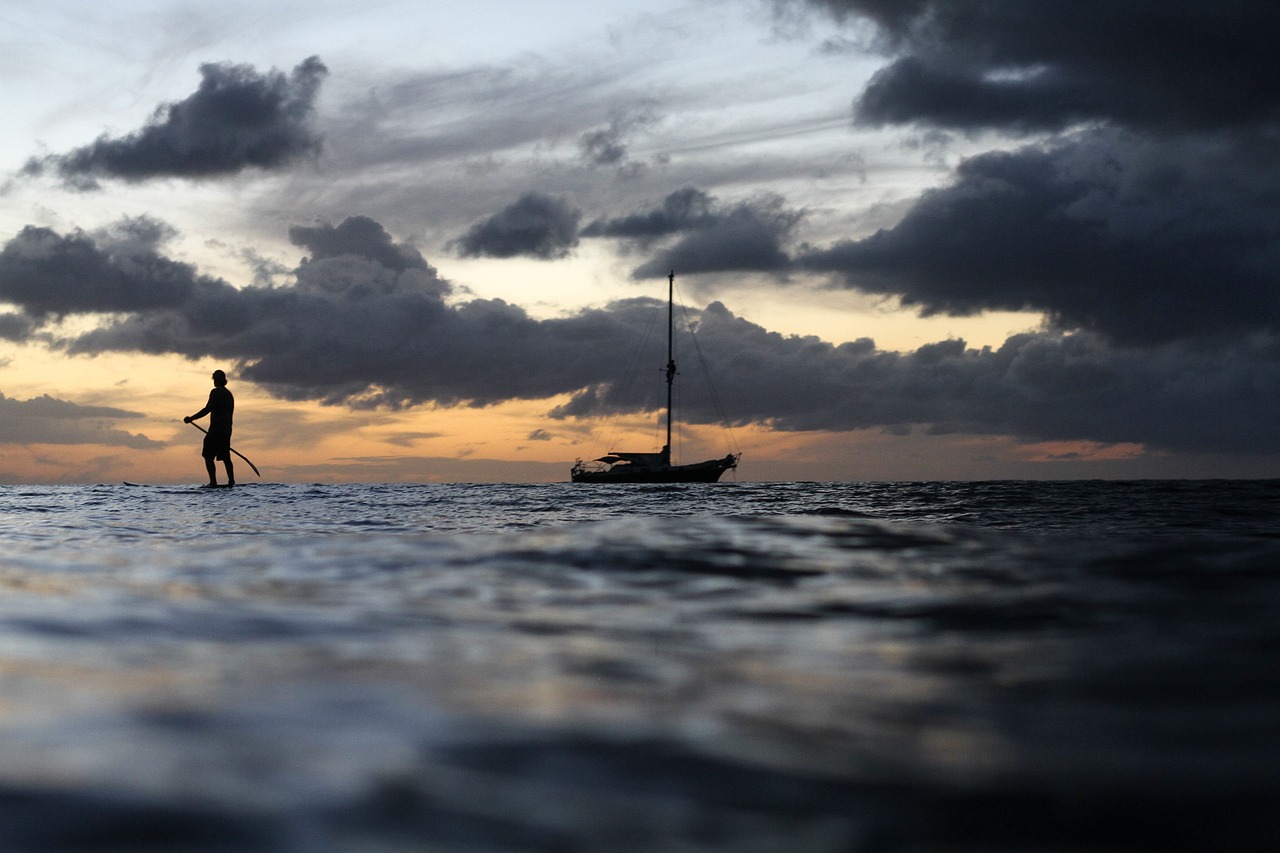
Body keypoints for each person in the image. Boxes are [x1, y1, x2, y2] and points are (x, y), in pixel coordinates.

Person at [184, 369, 235, 487]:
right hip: (226, 431)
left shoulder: (216, 392)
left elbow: (207, 409)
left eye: (214, 379)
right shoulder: (229, 394)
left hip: (216, 430)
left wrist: (191, 418)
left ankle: (213, 482)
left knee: (208, 456)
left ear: (217, 380)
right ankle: (231, 481)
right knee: (226, 457)